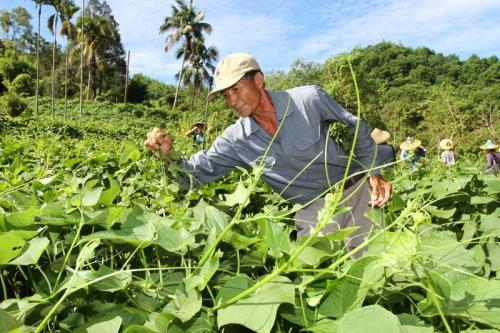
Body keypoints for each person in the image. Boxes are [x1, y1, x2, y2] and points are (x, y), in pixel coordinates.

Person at [144, 53, 392, 256]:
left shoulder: (308, 99)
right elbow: (194, 175)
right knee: (319, 277)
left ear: (259, 80)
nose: (231, 101)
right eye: (225, 95)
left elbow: (355, 125)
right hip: (312, 211)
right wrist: (168, 156)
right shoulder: (236, 139)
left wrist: (373, 171)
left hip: (355, 193)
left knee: (371, 266)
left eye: (236, 89)